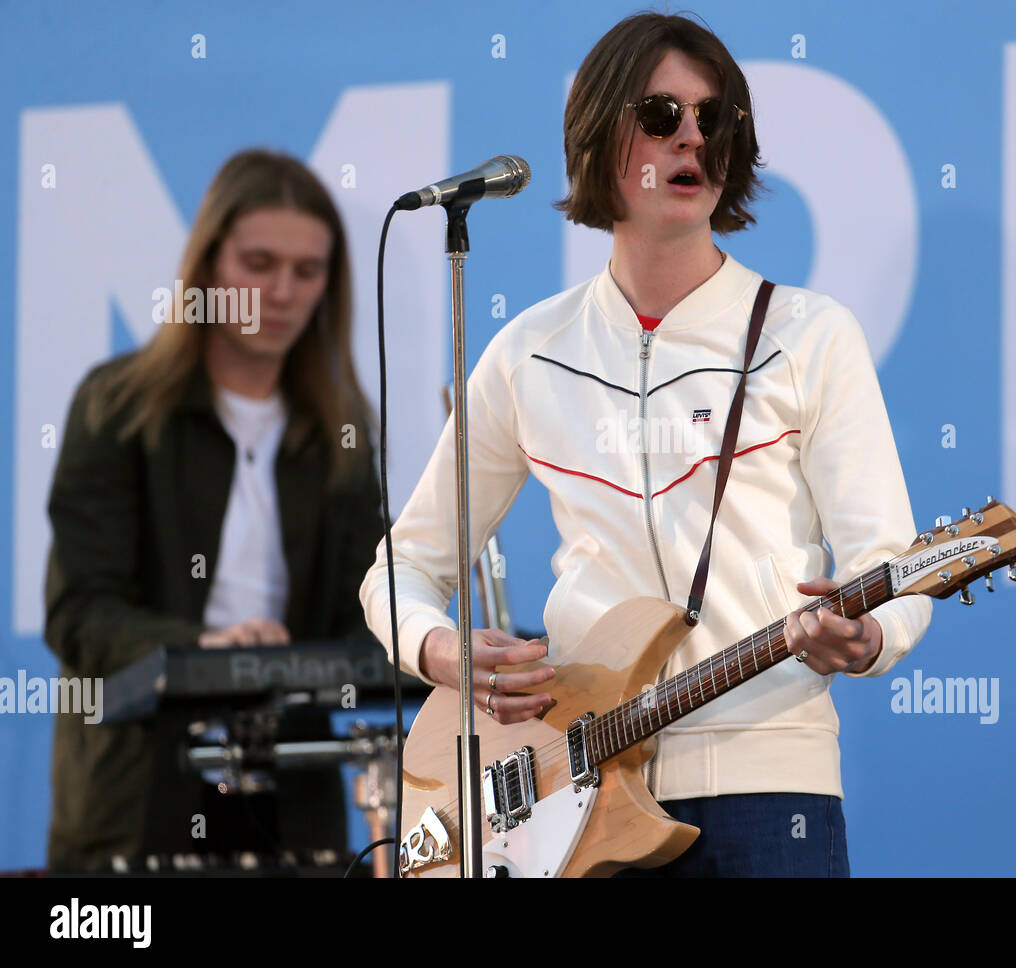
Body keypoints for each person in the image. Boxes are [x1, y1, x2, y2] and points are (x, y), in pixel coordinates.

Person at [360, 12, 931, 877]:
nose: (693, 135)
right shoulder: (528, 351)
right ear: (598, 135)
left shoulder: (811, 334)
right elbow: (401, 569)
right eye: (662, 115)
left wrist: (872, 637)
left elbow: (895, 564)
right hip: (566, 800)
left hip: (769, 791)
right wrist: (442, 651)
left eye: (718, 118)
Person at [44, 149, 383, 872]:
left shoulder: (341, 432)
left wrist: (431, 638)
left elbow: (366, 611)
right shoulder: (119, 408)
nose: (282, 291)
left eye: (307, 271)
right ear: (206, 267)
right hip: (134, 803)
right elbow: (80, 612)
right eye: (258, 263)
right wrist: (208, 650)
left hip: (294, 798)